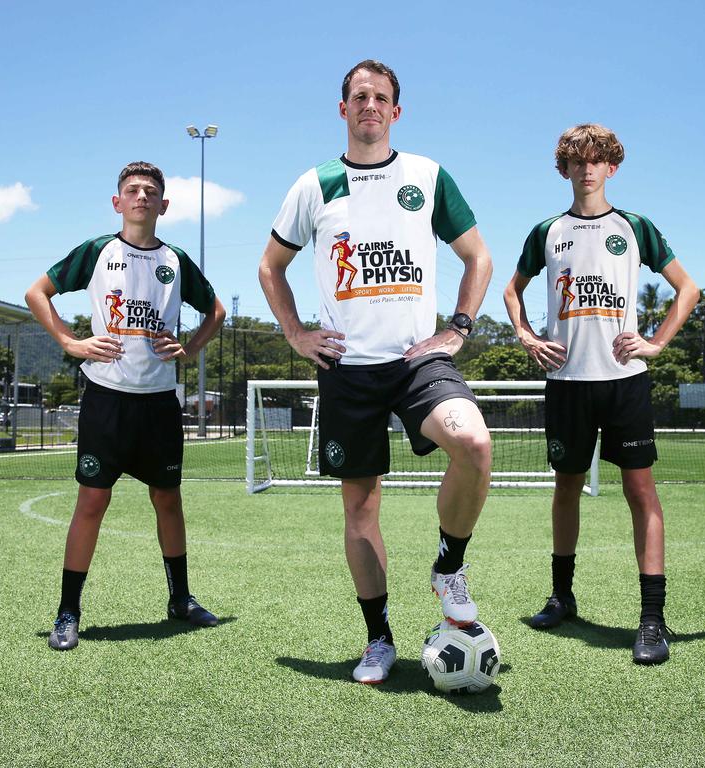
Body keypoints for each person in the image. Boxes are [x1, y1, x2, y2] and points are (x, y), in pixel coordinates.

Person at [258, 60, 494, 684]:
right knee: (360, 509)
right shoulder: (314, 184)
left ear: (396, 111)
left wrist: (459, 328)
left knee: (473, 442)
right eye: (359, 97)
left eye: (381, 97)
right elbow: (269, 267)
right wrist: (295, 333)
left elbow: (477, 257)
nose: (370, 105)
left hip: (419, 361)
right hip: (348, 369)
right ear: (343, 110)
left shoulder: (428, 177)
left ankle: (450, 566)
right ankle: (379, 638)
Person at [503, 124, 699, 664]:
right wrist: (526, 336)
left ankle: (652, 620)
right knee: (566, 489)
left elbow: (688, 288)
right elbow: (511, 289)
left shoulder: (635, 227)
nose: (587, 169)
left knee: (641, 493)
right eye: (577, 161)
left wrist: (655, 343)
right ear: (563, 169)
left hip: (625, 382)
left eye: (597, 161)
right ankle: (562, 596)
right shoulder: (547, 231)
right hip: (567, 383)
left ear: (612, 167)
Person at [25, 161, 227, 651]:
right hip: (106, 400)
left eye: (150, 190)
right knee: (92, 500)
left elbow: (216, 311)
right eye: (133, 190)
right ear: (118, 202)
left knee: (167, 498)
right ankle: (68, 611)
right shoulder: (97, 252)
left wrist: (191, 348)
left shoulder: (175, 260)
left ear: (163, 204)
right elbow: (37, 293)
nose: (141, 196)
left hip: (158, 401)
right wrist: (70, 342)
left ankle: (180, 599)